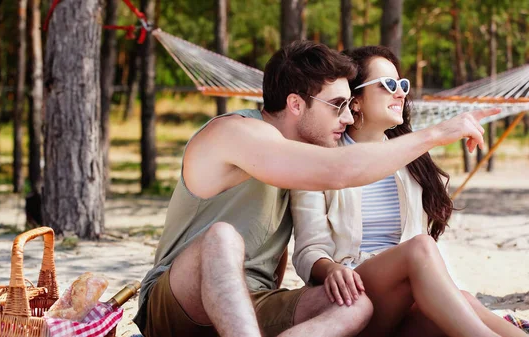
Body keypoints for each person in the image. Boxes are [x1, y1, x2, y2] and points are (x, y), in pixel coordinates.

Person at [133, 40, 498, 337]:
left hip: (252, 305)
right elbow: (340, 172)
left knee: (357, 305)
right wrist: (437, 133)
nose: (347, 118)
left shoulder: (296, 156)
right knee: (223, 238)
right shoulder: (237, 133)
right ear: (295, 104)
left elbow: (278, 251)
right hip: (176, 303)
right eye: (337, 106)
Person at [290, 45, 525, 337]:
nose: (400, 92)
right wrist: (331, 269)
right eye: (388, 85)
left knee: (462, 301)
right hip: (352, 298)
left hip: (406, 301)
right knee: (420, 247)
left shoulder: (411, 160)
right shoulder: (319, 159)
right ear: (356, 101)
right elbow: (307, 251)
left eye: (402, 84)